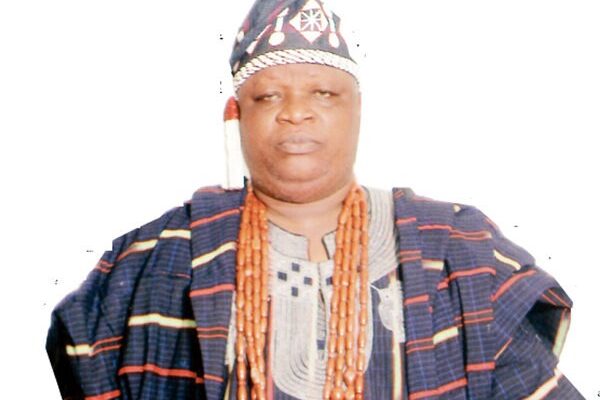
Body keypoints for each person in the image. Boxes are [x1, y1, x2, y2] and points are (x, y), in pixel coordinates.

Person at [46, 0, 583, 399]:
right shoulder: (156, 261)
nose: (295, 112)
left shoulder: (456, 253)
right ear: (237, 116)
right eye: (268, 96)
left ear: (357, 109)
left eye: (323, 93)